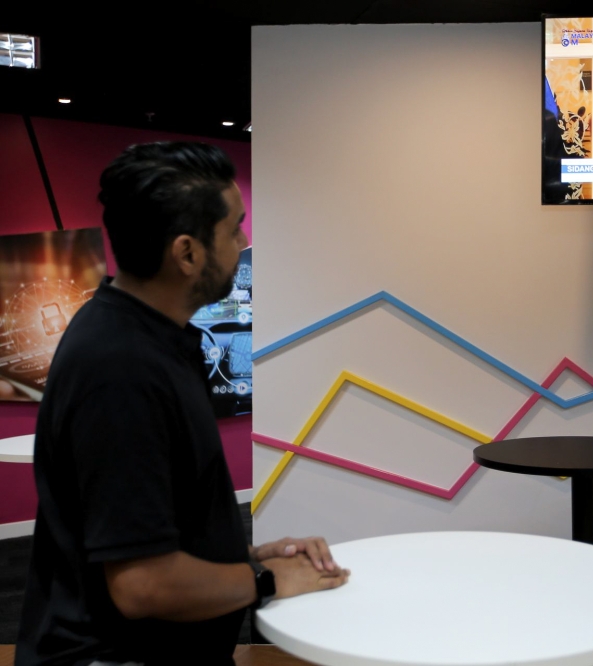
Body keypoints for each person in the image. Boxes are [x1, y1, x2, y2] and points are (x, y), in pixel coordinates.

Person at [16, 142, 350, 666]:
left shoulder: (147, 338)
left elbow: (155, 524)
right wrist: (265, 580)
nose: (244, 242)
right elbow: (143, 585)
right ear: (188, 253)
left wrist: (246, 556)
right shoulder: (121, 370)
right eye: (235, 229)